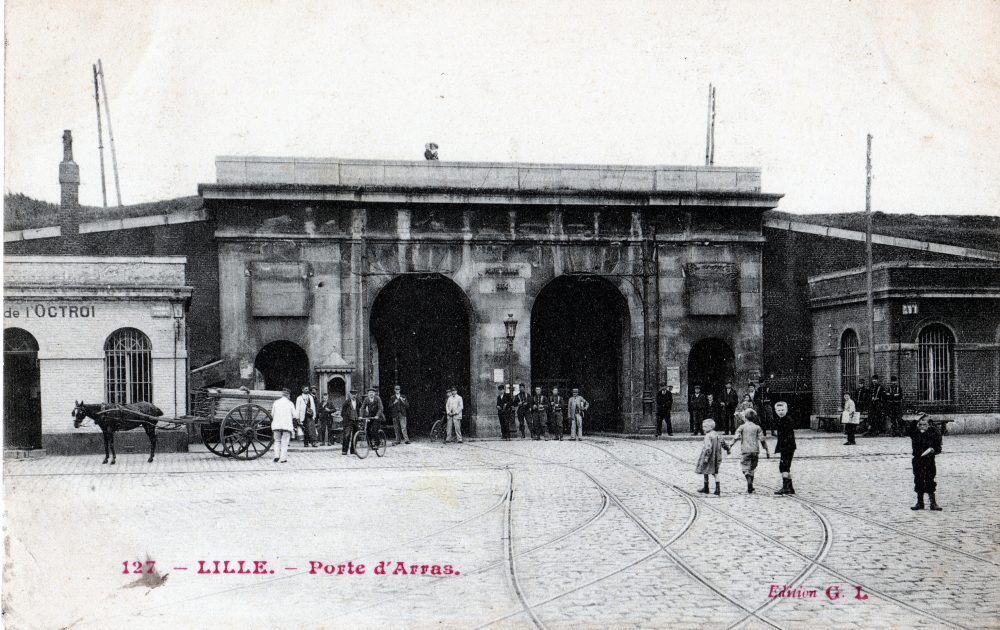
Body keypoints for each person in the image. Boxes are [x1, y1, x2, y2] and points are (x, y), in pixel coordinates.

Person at [728, 409, 769, 493]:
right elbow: (762, 439)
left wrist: (730, 445)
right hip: (755, 450)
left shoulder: (742, 427)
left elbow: (736, 437)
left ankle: (747, 477)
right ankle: (751, 485)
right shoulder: (757, 427)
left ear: (745, 418)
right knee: (752, 467)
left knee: (745, 467)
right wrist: (767, 450)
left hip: (745, 450)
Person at [907, 417, 943, 511]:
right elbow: (909, 429)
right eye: (920, 425)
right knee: (918, 479)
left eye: (924, 425)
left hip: (929, 460)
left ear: (929, 426)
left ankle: (933, 502)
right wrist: (915, 419)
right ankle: (920, 502)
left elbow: (938, 448)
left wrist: (933, 450)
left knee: (929, 479)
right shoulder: (915, 434)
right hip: (918, 460)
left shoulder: (933, 435)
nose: (922, 427)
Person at [695, 418, 730, 495]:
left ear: (711, 427)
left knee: (705, 470)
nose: (703, 428)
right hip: (717, 456)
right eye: (703, 426)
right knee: (715, 472)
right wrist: (728, 449)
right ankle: (717, 488)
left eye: (705, 427)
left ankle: (706, 487)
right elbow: (724, 443)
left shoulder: (708, 436)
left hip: (709, 456)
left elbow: (708, 447)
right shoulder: (717, 435)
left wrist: (706, 457)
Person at [773, 401, 796, 495]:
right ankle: (790, 487)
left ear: (786, 410)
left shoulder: (786, 420)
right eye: (778, 410)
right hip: (787, 446)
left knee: (784, 466)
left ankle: (786, 487)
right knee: (786, 466)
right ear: (775, 411)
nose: (780, 412)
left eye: (782, 410)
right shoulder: (782, 420)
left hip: (787, 446)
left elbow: (786, 435)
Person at [270, 388, 296, 463]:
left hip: (276, 425)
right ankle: (283, 458)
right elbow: (295, 415)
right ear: (288, 395)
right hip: (286, 426)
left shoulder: (276, 402)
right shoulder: (290, 403)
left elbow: (272, 414)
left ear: (282, 394)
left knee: (277, 441)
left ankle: (276, 456)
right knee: (285, 442)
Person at [340, 389, 359, 455]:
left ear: (357, 395)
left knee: (355, 436)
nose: (353, 396)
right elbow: (342, 413)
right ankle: (344, 450)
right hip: (348, 421)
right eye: (352, 394)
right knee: (346, 435)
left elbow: (361, 410)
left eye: (355, 394)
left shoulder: (359, 402)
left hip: (356, 421)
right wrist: (346, 419)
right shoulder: (346, 402)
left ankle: (353, 450)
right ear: (350, 395)